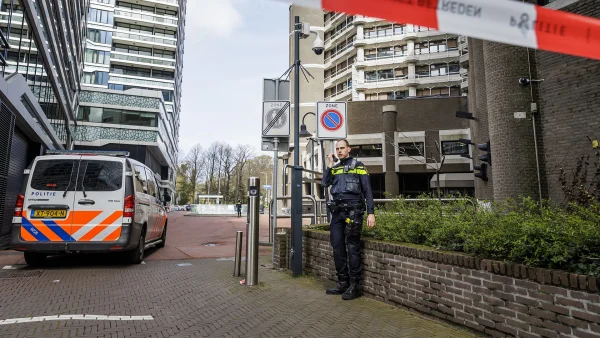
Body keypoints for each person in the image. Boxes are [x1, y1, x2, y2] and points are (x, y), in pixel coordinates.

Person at [321, 139, 376, 300]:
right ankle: (343, 282)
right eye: (337, 149)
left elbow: (368, 190)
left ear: (349, 149)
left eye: (342, 148)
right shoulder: (335, 168)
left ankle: (355, 285)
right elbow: (324, 183)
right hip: (337, 212)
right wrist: (330, 164)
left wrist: (371, 213)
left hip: (354, 212)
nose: (339, 151)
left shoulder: (358, 166)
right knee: (337, 246)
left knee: (352, 247)